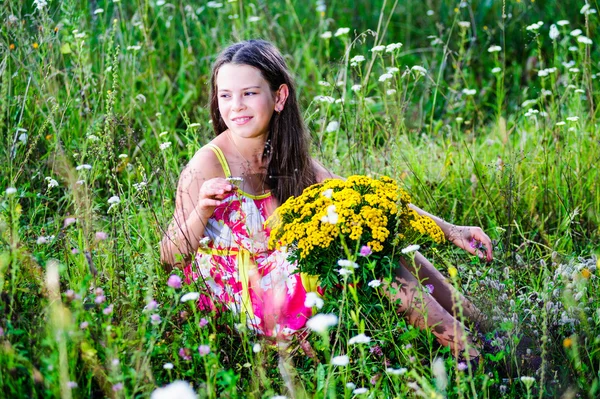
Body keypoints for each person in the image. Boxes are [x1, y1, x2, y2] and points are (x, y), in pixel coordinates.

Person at [160, 40, 493, 359]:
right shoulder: (206, 163)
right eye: (226, 95)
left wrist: (450, 229)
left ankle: (485, 330)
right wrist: (203, 209)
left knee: (380, 240)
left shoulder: (285, 153)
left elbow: (361, 198)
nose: (236, 106)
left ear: (279, 97)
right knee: (370, 255)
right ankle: (474, 356)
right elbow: (168, 258)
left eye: (249, 93)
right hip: (244, 299)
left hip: (283, 275)